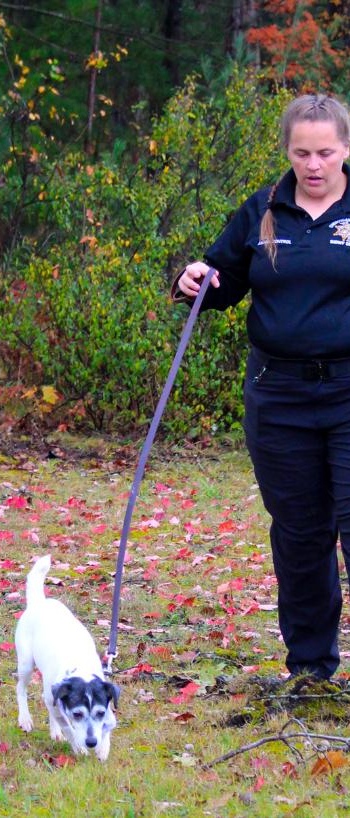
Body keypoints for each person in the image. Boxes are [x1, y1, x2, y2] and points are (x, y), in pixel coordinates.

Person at [174, 93, 350, 680]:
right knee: (301, 538)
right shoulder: (264, 209)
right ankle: (310, 671)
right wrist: (193, 277)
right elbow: (220, 281)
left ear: (345, 148)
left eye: (326, 151)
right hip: (279, 399)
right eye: (303, 152)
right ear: (289, 152)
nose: (315, 164)